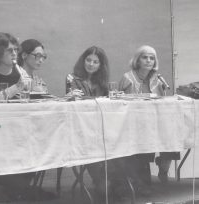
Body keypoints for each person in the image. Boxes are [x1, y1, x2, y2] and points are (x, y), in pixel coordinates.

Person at [0, 32, 55, 202]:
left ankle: (21, 189)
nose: (14, 54)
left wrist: (38, 91)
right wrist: (16, 87)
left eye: (15, 50)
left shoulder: (19, 71)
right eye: (9, 50)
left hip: (13, 129)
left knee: (39, 142)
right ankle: (15, 190)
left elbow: (26, 97)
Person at [66, 46, 124, 203]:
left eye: (95, 62)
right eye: (88, 60)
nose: (91, 64)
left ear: (101, 65)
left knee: (118, 141)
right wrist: (70, 97)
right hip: (82, 130)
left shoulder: (102, 82)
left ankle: (113, 182)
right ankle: (104, 182)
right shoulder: (72, 79)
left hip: (101, 129)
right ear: (83, 60)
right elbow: (72, 106)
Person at [118, 45, 180, 194]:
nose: (148, 60)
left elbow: (162, 102)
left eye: (152, 58)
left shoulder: (157, 79)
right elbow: (120, 102)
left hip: (154, 121)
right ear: (137, 60)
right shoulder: (128, 78)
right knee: (144, 140)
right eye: (145, 57)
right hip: (133, 124)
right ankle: (141, 183)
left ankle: (163, 167)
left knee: (172, 134)